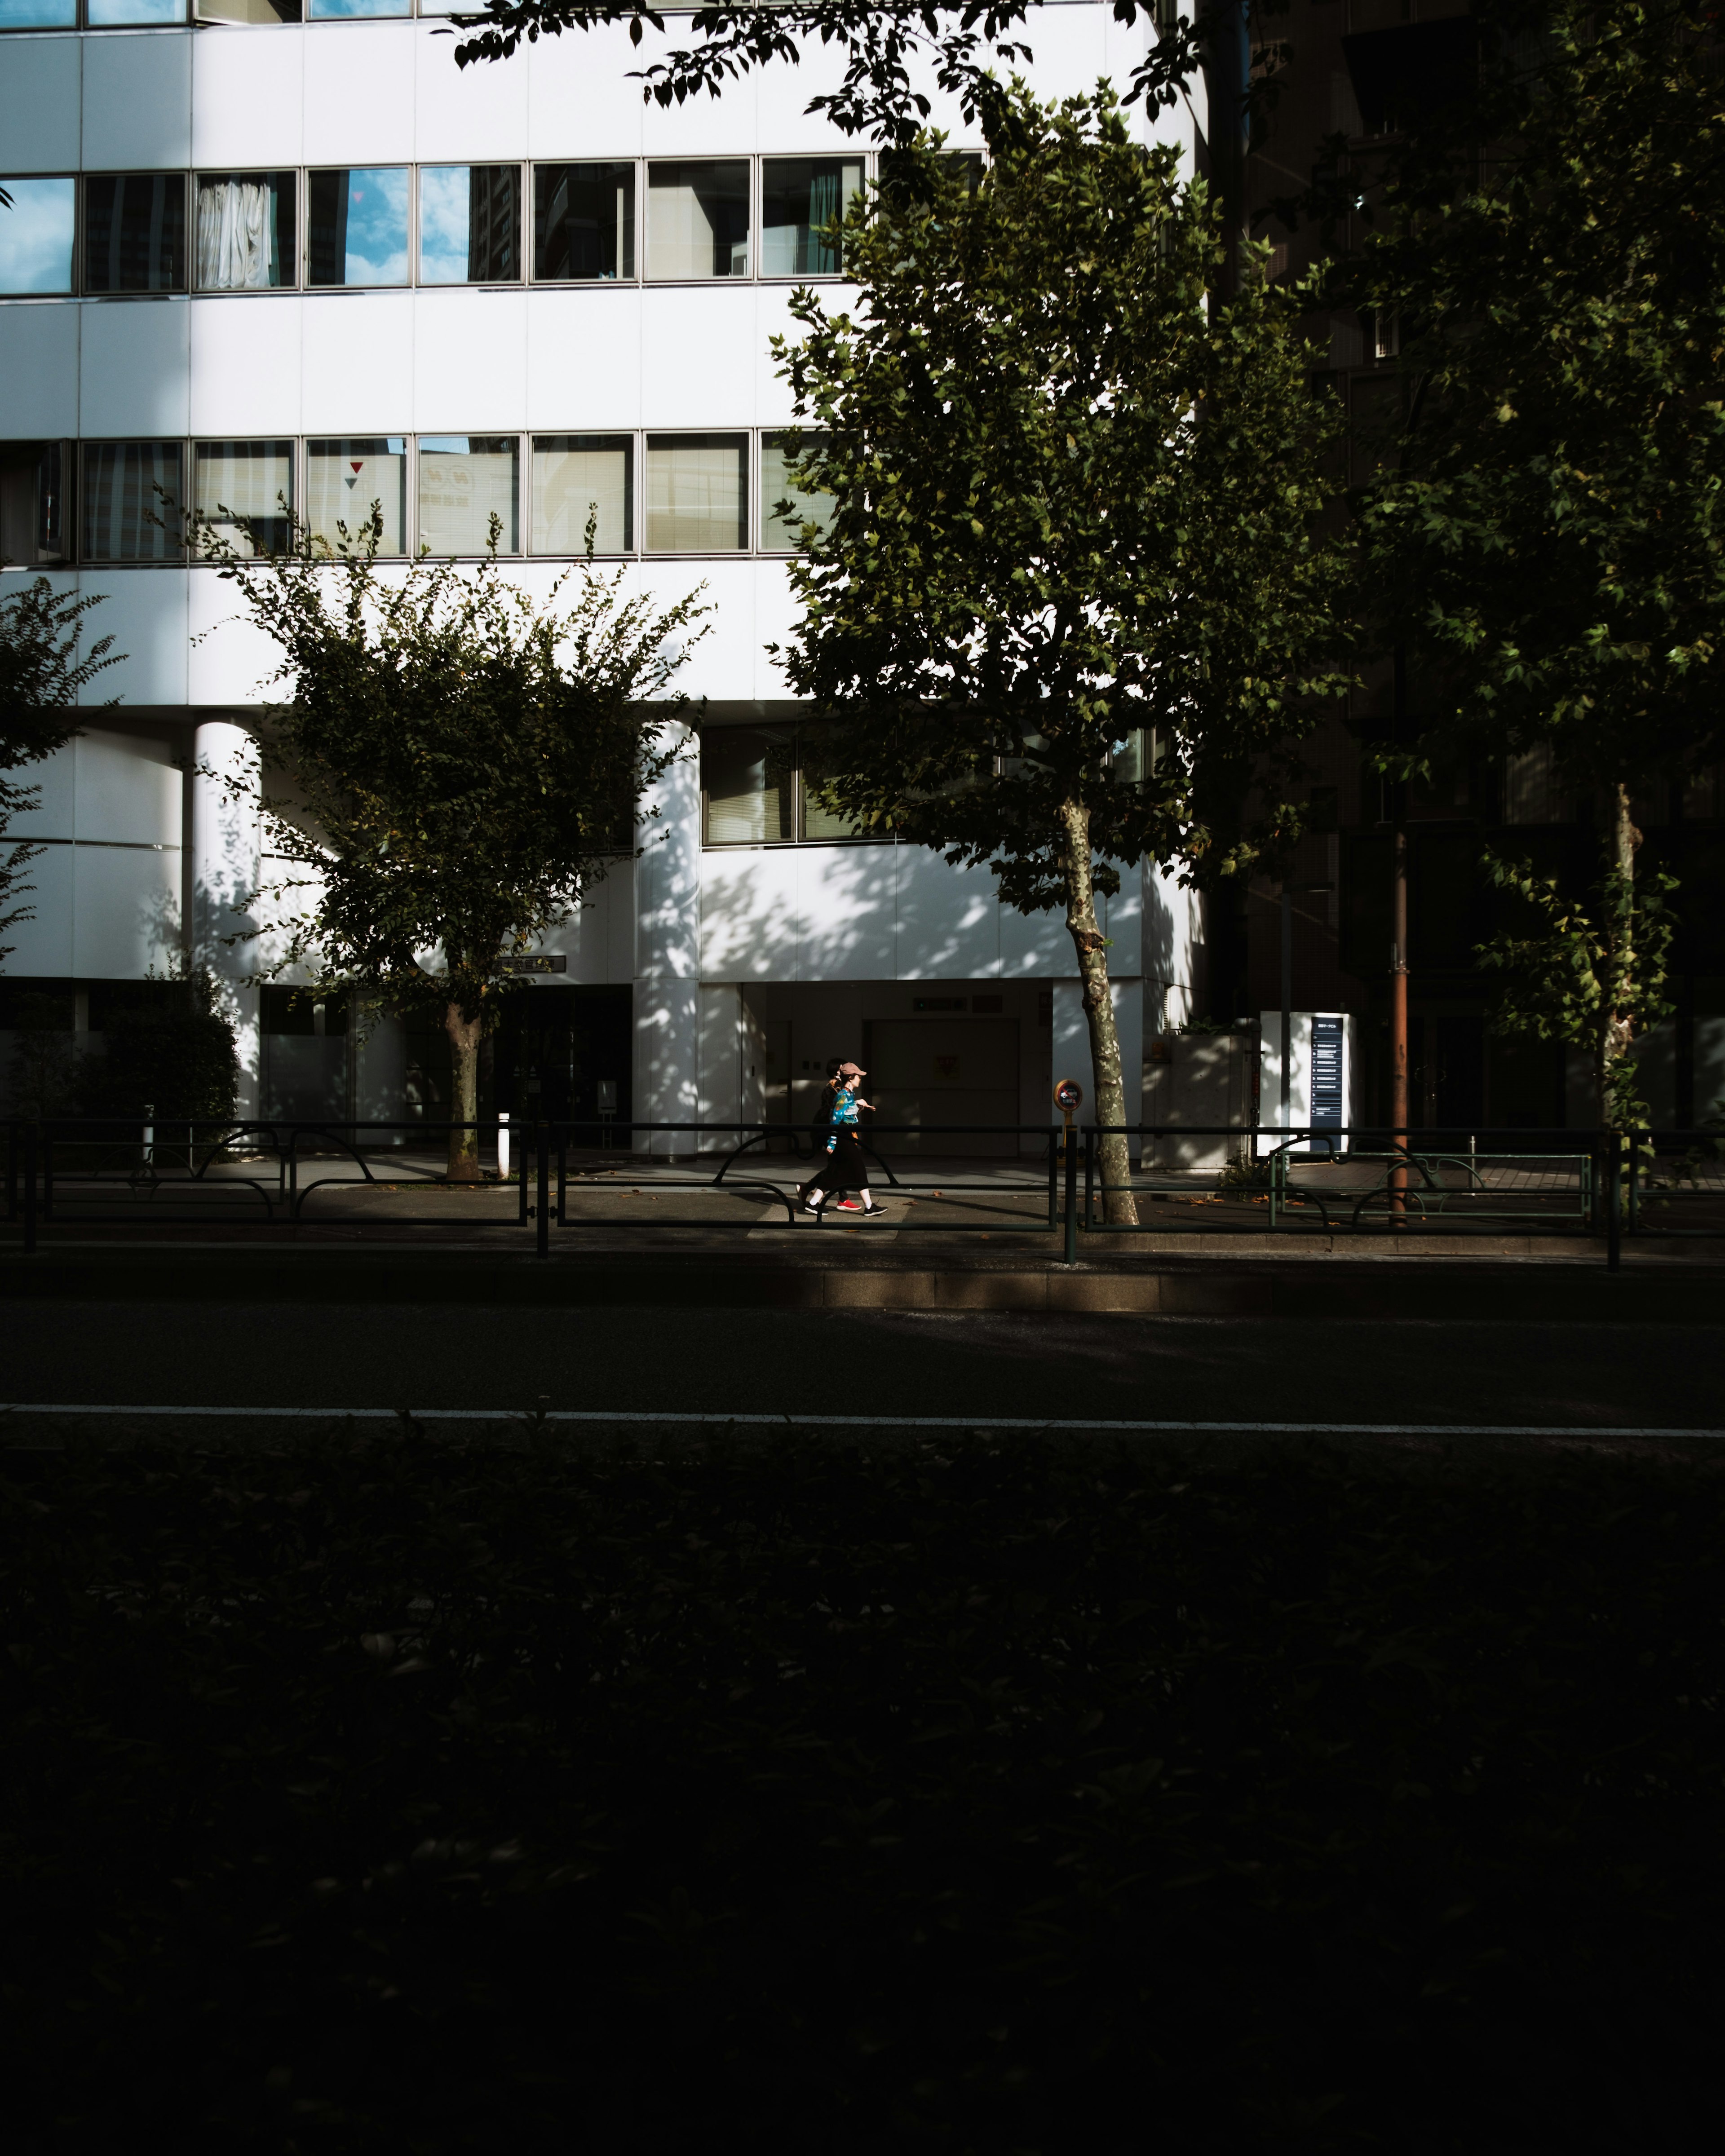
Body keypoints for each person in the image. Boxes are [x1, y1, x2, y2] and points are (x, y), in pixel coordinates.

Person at [797, 1061, 888, 1216]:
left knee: (836, 1171)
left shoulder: (848, 1095)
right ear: (851, 1078)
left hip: (844, 1136)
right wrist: (832, 1143)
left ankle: (814, 1204)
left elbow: (847, 1117)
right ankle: (869, 1207)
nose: (860, 1078)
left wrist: (859, 1107)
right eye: (858, 1076)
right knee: (858, 1168)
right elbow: (835, 1120)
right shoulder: (843, 1096)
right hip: (842, 1138)